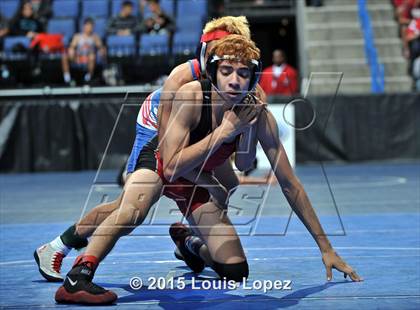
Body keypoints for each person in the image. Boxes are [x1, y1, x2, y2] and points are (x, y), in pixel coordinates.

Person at [54, 34, 362, 305]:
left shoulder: (257, 116)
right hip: (162, 162)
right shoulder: (190, 94)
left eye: (243, 73)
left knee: (235, 270)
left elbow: (288, 183)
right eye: (226, 71)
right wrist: (225, 131)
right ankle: (78, 276)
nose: (234, 80)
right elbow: (172, 167)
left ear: (254, 78)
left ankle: (188, 243)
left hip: (198, 172)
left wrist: (326, 248)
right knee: (132, 209)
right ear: (213, 72)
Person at [34, 15, 261, 282]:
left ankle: (191, 240)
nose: (227, 61)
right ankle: (60, 245)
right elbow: (169, 156)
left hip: (195, 131)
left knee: (230, 183)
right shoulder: (181, 78)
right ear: (205, 52)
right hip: (157, 130)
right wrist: (208, 182)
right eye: (218, 54)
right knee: (132, 206)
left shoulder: (233, 78)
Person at [61, 17, 106, 85]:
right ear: (84, 26)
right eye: (87, 26)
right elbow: (72, 47)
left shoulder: (95, 37)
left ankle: (88, 78)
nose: (89, 28)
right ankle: (67, 78)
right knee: (64, 57)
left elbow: (101, 48)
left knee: (92, 56)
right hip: (78, 58)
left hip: (89, 58)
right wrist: (71, 51)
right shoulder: (77, 36)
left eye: (91, 26)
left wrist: (102, 51)